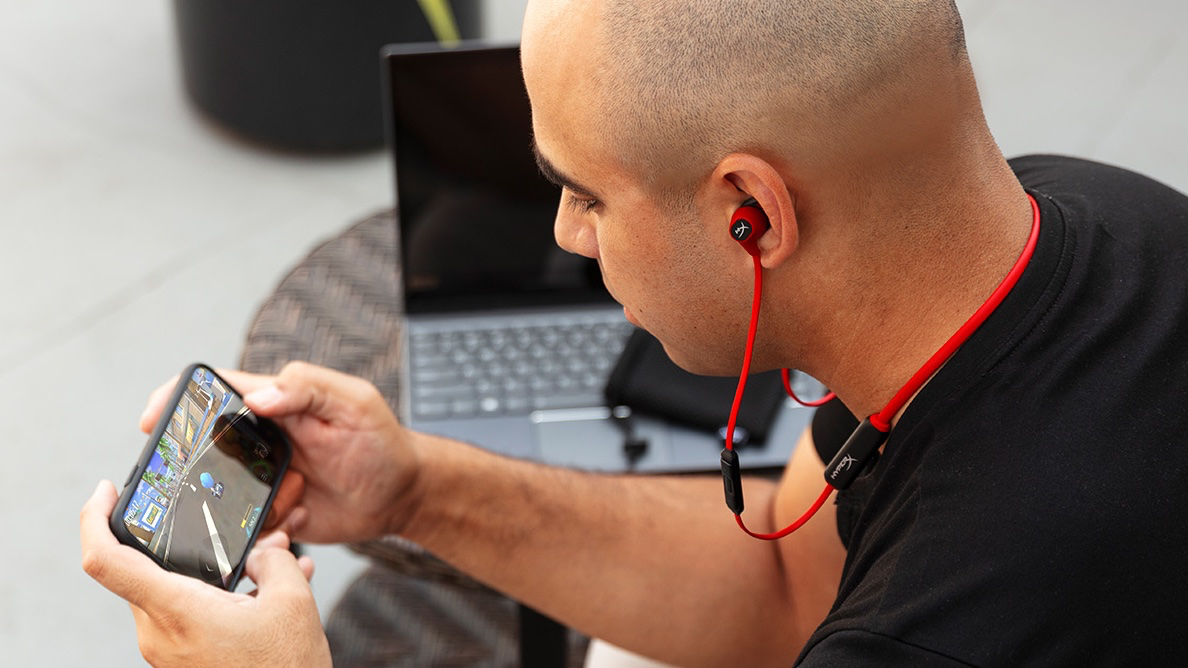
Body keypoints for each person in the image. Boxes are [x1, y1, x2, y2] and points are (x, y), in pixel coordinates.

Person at [80, 0, 1188, 665]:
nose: (567, 234)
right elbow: (784, 593)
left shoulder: (938, 628)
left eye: (586, 194)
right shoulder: (1068, 214)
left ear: (749, 212)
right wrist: (412, 486)